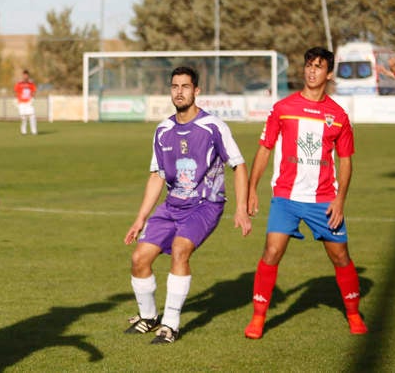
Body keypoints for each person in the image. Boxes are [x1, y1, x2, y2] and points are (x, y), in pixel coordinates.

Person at [244, 46, 368, 339]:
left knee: (340, 256)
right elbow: (265, 149)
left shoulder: (338, 115)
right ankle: (258, 318)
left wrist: (340, 200)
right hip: (285, 197)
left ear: (329, 73)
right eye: (309, 65)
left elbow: (346, 160)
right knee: (272, 251)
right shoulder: (283, 108)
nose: (312, 71)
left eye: (319, 66)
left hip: (324, 200)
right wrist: (251, 189)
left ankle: (353, 313)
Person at [123, 65, 251, 344]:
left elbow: (238, 165)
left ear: (196, 91)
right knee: (138, 259)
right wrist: (140, 218)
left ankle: (170, 324)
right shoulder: (163, 130)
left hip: (205, 205)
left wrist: (241, 208)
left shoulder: (213, 126)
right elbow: (157, 176)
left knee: (181, 250)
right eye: (174, 87)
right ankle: (148, 316)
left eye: (185, 87)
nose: (179, 92)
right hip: (172, 206)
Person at [14, 70, 37, 135]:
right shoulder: (19, 84)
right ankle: (23, 131)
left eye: (27, 75)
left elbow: (33, 91)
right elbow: (16, 92)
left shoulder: (31, 84)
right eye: (24, 75)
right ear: (23, 75)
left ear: (28, 76)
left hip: (29, 103)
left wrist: (32, 99)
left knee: (32, 116)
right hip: (21, 103)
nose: (25, 76)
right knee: (24, 118)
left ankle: (34, 131)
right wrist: (16, 100)